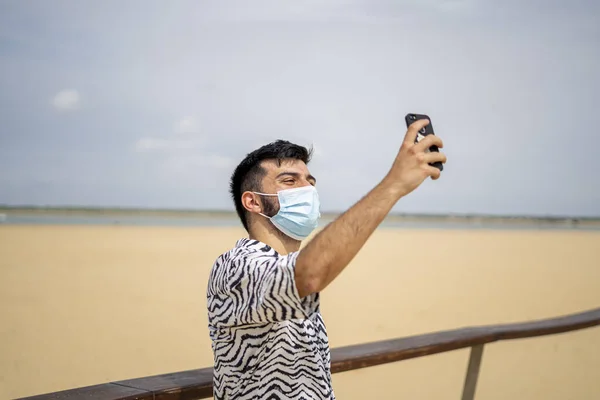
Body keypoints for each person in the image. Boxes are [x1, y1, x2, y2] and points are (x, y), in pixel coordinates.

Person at [206, 119, 446, 399]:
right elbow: (309, 274)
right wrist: (393, 184)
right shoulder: (236, 266)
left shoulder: (284, 269)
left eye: (310, 182)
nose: (307, 190)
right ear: (253, 202)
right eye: (289, 181)